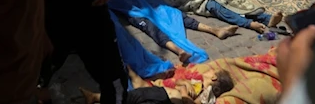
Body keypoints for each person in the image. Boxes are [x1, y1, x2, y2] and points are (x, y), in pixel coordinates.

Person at [80, 66, 235, 104]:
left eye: (211, 71)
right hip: (163, 93)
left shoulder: (208, 95)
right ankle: (96, 97)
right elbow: (179, 82)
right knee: (133, 97)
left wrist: (184, 95)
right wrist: (185, 83)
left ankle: (96, 97)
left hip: (166, 99)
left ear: (214, 78)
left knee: (134, 97)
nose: (207, 71)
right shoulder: (197, 83)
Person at [126, 14, 238, 64]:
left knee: (174, 16)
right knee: (154, 26)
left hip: (146, 6)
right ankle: (179, 50)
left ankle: (215, 30)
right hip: (137, 10)